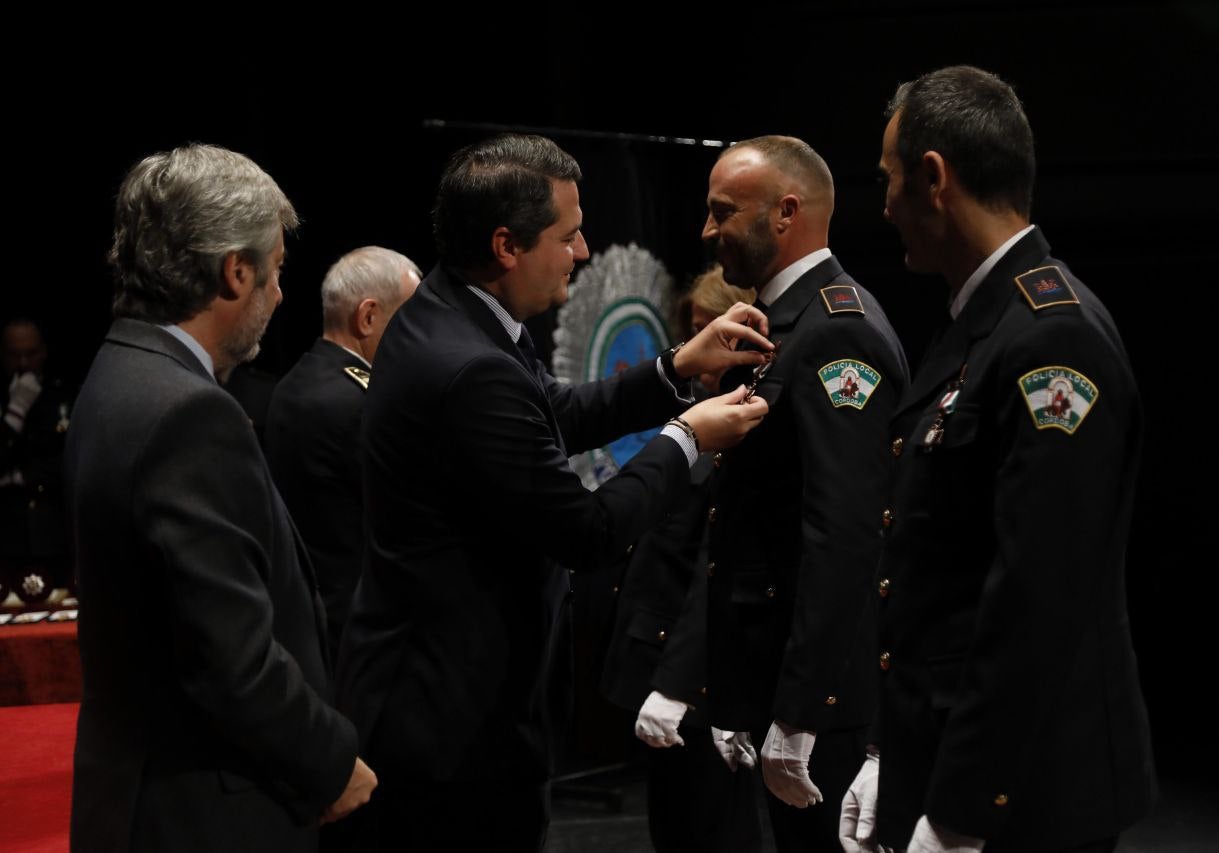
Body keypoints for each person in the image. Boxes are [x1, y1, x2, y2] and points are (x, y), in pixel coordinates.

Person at [336, 133, 771, 850]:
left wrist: (674, 369)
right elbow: (588, 531)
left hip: (431, 691)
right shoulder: (469, 364)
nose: (582, 250)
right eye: (567, 235)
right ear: (508, 245)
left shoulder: (456, 312)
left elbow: (553, 416)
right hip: (450, 724)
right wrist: (688, 437)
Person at [840, 65, 1156, 853]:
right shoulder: (985, 325)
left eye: (888, 181)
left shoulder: (1052, 335)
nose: (884, 207)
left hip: (1024, 790)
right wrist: (888, 745)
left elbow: (1037, 598)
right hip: (957, 751)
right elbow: (926, 571)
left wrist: (963, 808)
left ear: (934, 177)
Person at [65, 143, 375, 853]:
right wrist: (331, 761)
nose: (279, 295)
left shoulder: (117, 370)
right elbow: (231, 660)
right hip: (206, 810)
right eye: (276, 271)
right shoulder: (187, 412)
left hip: (141, 796)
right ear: (236, 271)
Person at [693, 136, 908, 852]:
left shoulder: (835, 332)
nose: (707, 229)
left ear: (786, 212)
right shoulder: (780, 323)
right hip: (779, 675)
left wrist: (802, 710)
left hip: (824, 703)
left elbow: (845, 536)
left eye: (723, 211)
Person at [601, 264, 764, 853]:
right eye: (691, 333)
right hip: (659, 645)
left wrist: (682, 683)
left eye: (712, 335)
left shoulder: (743, 416)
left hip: (701, 664)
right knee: (674, 824)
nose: (699, 355)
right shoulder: (696, 405)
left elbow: (718, 556)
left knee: (715, 827)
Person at [265, 246, 422, 660]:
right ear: (368, 317)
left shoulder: (294, 384)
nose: (421, 339)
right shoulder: (360, 403)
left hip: (310, 622)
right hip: (365, 637)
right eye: (412, 321)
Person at [1, 317, 75, 602]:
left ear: (43, 352)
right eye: (14, 354)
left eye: (30, 353)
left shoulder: (64, 396)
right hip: (8, 538)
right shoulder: (5, 399)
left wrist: (21, 477)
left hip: (56, 534)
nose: (22, 363)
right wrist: (15, 412)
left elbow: (71, 461)